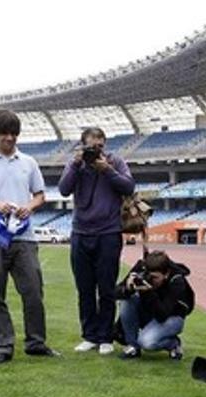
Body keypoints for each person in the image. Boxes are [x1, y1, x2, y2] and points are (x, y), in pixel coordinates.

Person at [0, 109, 57, 365]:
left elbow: (40, 194)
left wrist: (31, 205)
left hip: (24, 237)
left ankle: (36, 342)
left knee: (34, 293)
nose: (10, 138)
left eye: (14, 133)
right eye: (5, 134)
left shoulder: (28, 163)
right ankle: (3, 346)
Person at [58, 126, 136, 356]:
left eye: (100, 146)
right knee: (84, 288)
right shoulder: (76, 164)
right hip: (80, 232)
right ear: (83, 145)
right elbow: (64, 189)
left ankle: (105, 337)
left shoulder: (116, 162)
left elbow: (129, 187)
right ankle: (89, 335)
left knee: (106, 288)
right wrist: (76, 163)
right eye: (92, 146)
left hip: (108, 233)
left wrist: (107, 170)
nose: (97, 150)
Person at [115, 250, 194, 360]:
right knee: (127, 299)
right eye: (149, 275)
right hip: (150, 311)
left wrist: (149, 292)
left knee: (147, 342)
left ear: (166, 274)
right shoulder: (142, 268)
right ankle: (133, 346)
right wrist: (127, 289)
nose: (150, 280)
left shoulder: (177, 281)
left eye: (155, 277)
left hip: (172, 317)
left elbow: (162, 314)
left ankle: (173, 344)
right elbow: (115, 293)